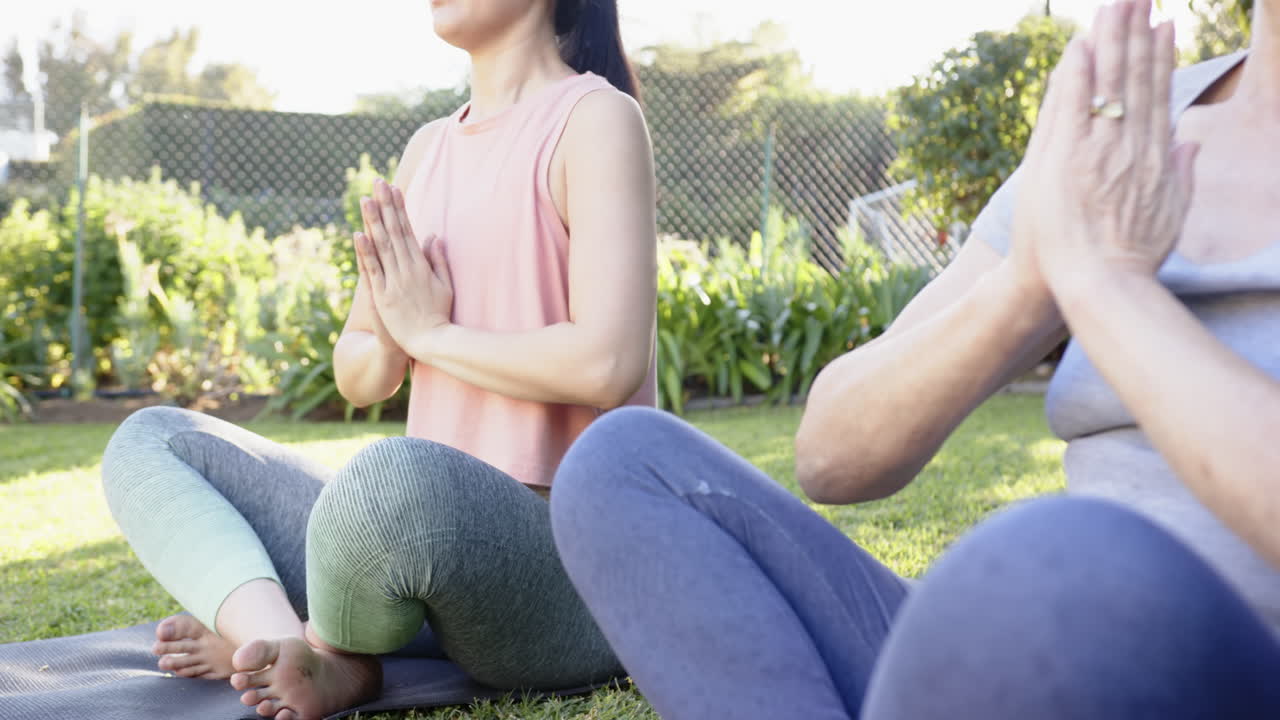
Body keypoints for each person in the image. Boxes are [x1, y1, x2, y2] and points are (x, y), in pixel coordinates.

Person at [550, 1, 1280, 717]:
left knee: (1061, 568)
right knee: (624, 463)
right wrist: (1031, 282)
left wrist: (1107, 284)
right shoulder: (1123, 125)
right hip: (1045, 654)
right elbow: (831, 454)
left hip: (1193, 657)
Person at [100, 0, 657, 717]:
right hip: (418, 542)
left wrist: (430, 335)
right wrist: (397, 334)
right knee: (152, 440)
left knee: (389, 480)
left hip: (563, 571)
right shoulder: (428, 148)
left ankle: (331, 640)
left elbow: (607, 362)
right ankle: (294, 648)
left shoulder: (595, 120)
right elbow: (357, 369)